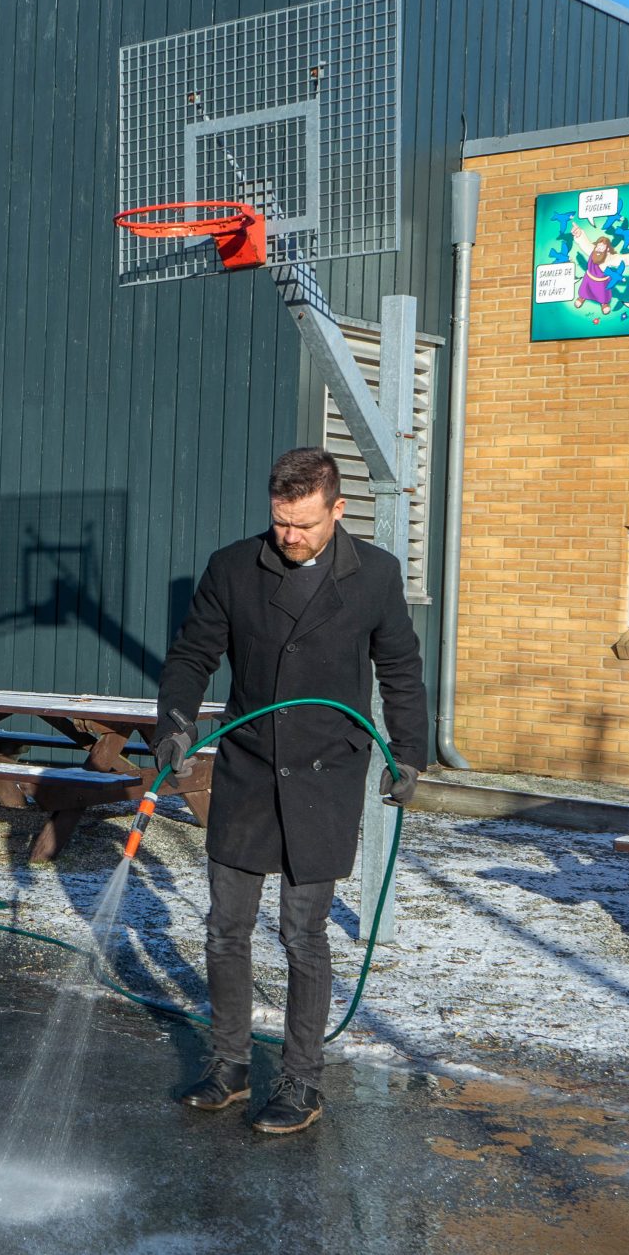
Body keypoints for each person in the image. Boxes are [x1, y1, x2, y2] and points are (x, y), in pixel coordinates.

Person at [153, 446, 431, 1136]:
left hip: (323, 776)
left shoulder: (374, 577)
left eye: (304, 524)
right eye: (280, 523)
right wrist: (175, 722)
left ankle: (302, 1081)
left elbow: (400, 668)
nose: (290, 537)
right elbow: (193, 655)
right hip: (248, 771)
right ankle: (229, 1063)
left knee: (303, 932)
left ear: (338, 509)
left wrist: (410, 752)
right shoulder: (232, 568)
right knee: (225, 927)